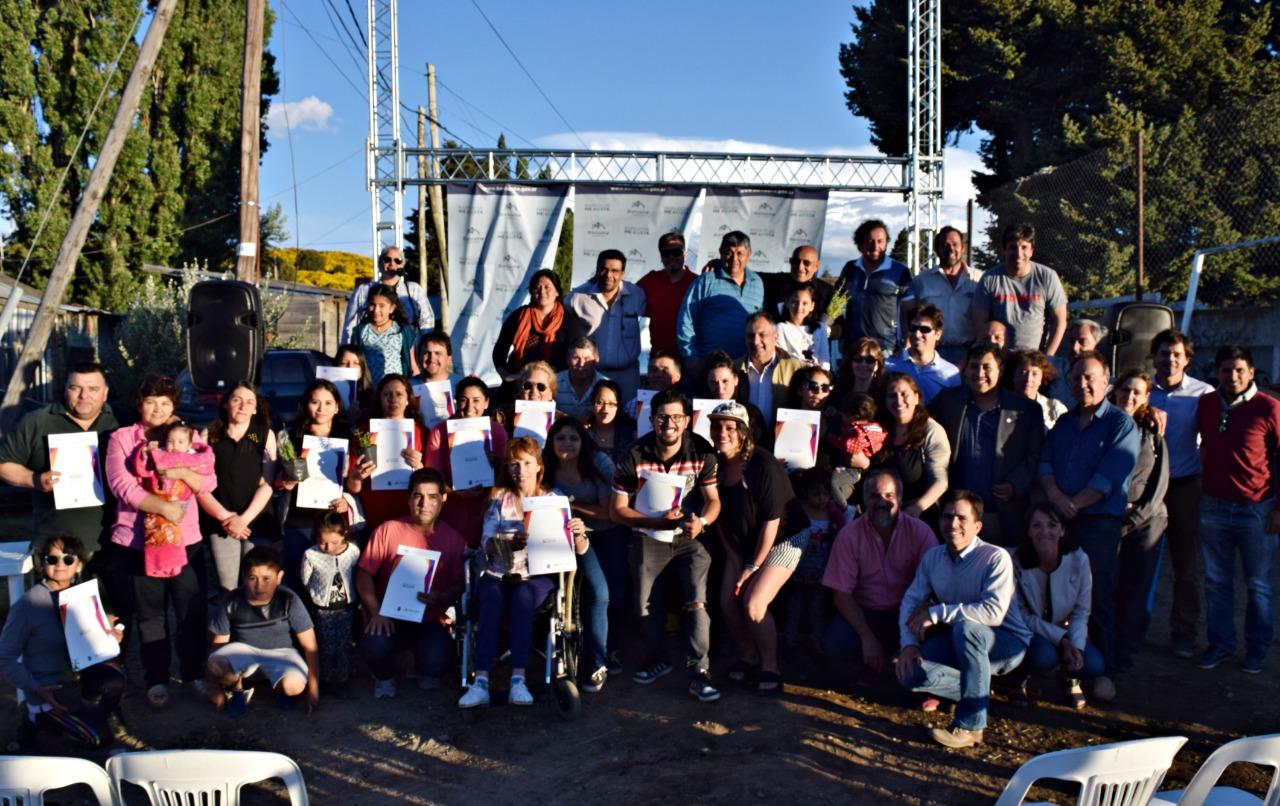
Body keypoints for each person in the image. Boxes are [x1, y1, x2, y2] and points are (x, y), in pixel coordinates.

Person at [104, 373, 215, 710]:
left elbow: (208, 481)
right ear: (140, 404)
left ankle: (194, 671)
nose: (157, 408)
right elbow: (121, 484)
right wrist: (163, 507)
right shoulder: (122, 438)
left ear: (173, 406)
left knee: (190, 610)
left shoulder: (186, 436)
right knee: (151, 615)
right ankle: (157, 678)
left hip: (185, 540)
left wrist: (180, 474)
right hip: (139, 541)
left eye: (164, 402)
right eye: (150, 401)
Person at [610, 388, 723, 702]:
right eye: (662, 417)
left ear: (687, 421)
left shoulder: (702, 451)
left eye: (676, 417)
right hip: (648, 536)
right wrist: (655, 522)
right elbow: (616, 510)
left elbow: (714, 501)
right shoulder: (634, 454)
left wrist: (703, 522)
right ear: (651, 419)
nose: (669, 423)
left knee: (697, 601)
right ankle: (657, 658)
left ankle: (700, 671)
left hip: (690, 537)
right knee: (645, 604)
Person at [458, 439, 589, 708]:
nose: (521, 470)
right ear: (507, 467)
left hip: (536, 576)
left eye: (527, 463)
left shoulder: (554, 500)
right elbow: (486, 544)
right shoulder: (499, 500)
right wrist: (505, 544)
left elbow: (580, 550)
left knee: (522, 598)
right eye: (514, 464)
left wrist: (579, 533)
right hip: (498, 572)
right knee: (491, 598)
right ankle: (480, 681)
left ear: (539, 467)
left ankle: (518, 680)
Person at [1038, 350, 1139, 698]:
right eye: (1077, 377)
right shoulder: (1065, 422)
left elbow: (1110, 476)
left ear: (1107, 381)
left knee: (1097, 596)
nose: (1083, 383)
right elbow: (1046, 462)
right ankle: (1066, 667)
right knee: (1057, 594)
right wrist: (1055, 497)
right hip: (1061, 520)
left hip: (1098, 523)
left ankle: (1103, 671)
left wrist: (1073, 504)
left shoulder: (1121, 424)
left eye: (1091, 377)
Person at [896, 491, 1031, 748]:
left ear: (977, 526)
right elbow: (911, 601)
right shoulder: (933, 557)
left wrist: (936, 613)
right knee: (909, 672)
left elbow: (992, 613)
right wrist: (908, 644)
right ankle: (977, 690)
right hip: (961, 642)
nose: (953, 524)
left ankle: (971, 726)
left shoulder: (995, 557)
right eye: (947, 517)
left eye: (961, 518)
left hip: (1006, 644)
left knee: (967, 628)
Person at [1195, 346, 1280, 674]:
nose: (1233, 377)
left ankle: (1257, 649)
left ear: (1252, 372)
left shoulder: (1269, 408)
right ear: (1217, 372)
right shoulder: (1207, 404)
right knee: (1217, 581)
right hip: (1214, 507)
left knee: (1258, 584)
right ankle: (1220, 644)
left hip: (1256, 509)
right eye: (1226, 370)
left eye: (1239, 370)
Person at [0, 535, 126, 750]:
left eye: (68, 559)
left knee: (115, 680)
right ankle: (35, 723)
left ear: (79, 566)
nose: (60, 565)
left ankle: (92, 717)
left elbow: (89, 641)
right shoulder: (28, 605)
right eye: (52, 559)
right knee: (99, 738)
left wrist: (109, 636)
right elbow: (5, 657)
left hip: (78, 680)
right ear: (43, 563)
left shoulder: (83, 597)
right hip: (48, 690)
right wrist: (36, 688)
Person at [709, 401, 795, 695]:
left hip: (785, 538)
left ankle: (771, 665)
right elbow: (719, 518)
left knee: (754, 603)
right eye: (717, 426)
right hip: (741, 545)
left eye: (730, 427)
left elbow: (773, 522)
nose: (722, 432)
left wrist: (751, 568)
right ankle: (748, 655)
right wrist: (735, 559)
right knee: (726, 600)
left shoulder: (762, 463)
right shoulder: (716, 465)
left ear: (743, 432)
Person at [357, 468, 467, 697]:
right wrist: (376, 612)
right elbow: (363, 574)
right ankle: (385, 676)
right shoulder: (388, 530)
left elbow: (459, 584)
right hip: (388, 615)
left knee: (435, 663)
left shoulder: (454, 540)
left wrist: (442, 597)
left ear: (443, 498)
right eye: (418, 495)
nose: (424, 503)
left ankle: (419, 664)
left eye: (432, 496)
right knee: (373, 643)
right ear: (408, 498)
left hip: (429, 619)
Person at [822, 469, 936, 679]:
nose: (882, 502)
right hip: (865, 611)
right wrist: (867, 637)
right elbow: (841, 593)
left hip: (909, 611)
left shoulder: (921, 532)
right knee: (835, 645)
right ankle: (865, 673)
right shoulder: (849, 535)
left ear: (900, 500)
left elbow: (933, 585)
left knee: (934, 645)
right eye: (874, 496)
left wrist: (913, 627)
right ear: (865, 499)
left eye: (889, 496)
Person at [931, 342, 1044, 546]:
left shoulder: (1026, 410)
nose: (979, 373)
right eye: (974, 366)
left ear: (1000, 371)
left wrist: (1015, 483)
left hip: (1001, 513)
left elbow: (1036, 454)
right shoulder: (949, 401)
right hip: (957, 516)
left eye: (986, 367)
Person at [0, 361, 119, 552]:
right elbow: (3, 464)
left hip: (113, 546)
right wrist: (34, 480)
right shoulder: (37, 421)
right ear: (65, 389)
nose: (84, 396)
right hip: (56, 550)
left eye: (93, 389)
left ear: (105, 392)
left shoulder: (121, 421)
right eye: (75, 388)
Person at [543, 417, 623, 689]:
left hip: (605, 530)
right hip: (566, 534)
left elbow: (610, 512)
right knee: (585, 592)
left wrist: (570, 507)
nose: (567, 444)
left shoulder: (599, 464)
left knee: (609, 593)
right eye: (560, 438)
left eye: (573, 438)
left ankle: (604, 655)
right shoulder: (546, 468)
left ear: (583, 442)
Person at [1148, 329, 1213, 659]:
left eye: (1176, 354)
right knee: (1137, 560)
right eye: (1163, 353)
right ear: (1154, 356)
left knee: (1185, 566)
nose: (1169, 359)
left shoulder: (1203, 394)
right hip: (1147, 489)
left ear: (1187, 358)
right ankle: (1133, 626)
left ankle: (1184, 631)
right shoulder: (1141, 390)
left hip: (1184, 486)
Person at [205, 546, 320, 716]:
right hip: (243, 653)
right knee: (216, 663)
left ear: (279, 577)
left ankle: (282, 691)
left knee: (293, 686)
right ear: (244, 577)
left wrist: (313, 689)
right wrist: (212, 685)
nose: (259, 585)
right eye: (253, 578)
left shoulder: (289, 599)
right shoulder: (231, 601)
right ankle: (238, 687)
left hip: (281, 654)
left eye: (267, 578)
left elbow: (310, 646)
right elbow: (218, 645)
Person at [1013, 502, 1103, 709]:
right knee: (1043, 658)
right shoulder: (1014, 561)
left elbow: (1081, 611)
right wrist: (1061, 640)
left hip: (1065, 629)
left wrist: (1076, 646)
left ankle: (1069, 676)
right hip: (1031, 632)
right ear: (1028, 531)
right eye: (1037, 526)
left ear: (1062, 530)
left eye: (1052, 525)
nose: (1045, 532)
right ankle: (1020, 678)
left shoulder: (1079, 560)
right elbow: (1022, 615)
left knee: (1093, 664)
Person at [1111, 369, 1169, 670]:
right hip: (1110, 520)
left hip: (1145, 523)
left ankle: (1126, 651)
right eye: (1125, 390)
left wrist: (1135, 516)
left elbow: (1159, 483)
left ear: (1146, 397)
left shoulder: (1151, 432)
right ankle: (1106, 646)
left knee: (1137, 588)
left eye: (1137, 392)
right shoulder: (1104, 425)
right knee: (1108, 586)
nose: (1129, 397)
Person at [197, 383, 279, 594]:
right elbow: (200, 485)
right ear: (225, 404)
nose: (243, 406)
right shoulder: (211, 436)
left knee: (256, 587)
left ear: (255, 409)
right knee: (229, 588)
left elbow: (268, 483)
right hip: (222, 523)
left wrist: (244, 519)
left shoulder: (258, 436)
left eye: (249, 402)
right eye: (237, 400)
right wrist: (227, 518)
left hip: (257, 521)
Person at [276, 380, 353, 593]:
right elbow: (274, 480)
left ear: (337, 407)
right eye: (315, 402)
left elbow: (355, 483)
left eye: (328, 403)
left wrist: (347, 501)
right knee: (296, 583)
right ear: (305, 405)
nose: (321, 408)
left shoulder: (348, 437)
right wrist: (285, 482)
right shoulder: (287, 437)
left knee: (331, 588)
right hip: (298, 520)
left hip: (333, 522)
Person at [424, 376, 508, 546]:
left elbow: (509, 475)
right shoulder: (441, 431)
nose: (470, 407)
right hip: (451, 511)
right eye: (464, 400)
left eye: (476, 400)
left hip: (487, 510)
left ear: (486, 402)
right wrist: (457, 492)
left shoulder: (497, 432)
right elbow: (432, 478)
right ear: (455, 402)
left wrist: (498, 464)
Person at [129, 420, 214, 578]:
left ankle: (173, 563)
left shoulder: (256, 434)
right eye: (170, 441)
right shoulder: (160, 454)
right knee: (156, 534)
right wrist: (146, 453)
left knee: (173, 535)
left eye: (180, 442)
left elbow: (207, 469)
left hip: (181, 502)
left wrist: (183, 470)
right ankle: (156, 565)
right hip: (158, 502)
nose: (174, 445)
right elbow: (142, 468)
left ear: (189, 444)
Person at [345, 373, 428, 532]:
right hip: (373, 516)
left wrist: (420, 468)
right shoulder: (363, 432)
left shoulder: (421, 432)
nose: (393, 399)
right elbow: (353, 487)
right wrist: (356, 477)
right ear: (379, 399)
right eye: (387, 394)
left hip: (409, 515)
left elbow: (432, 482)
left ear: (407, 399)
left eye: (399, 394)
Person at [972, 222, 1068, 354]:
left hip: (1034, 357)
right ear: (1004, 250)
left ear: (1031, 250)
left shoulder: (1047, 277)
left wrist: (1048, 356)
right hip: (999, 356)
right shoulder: (989, 279)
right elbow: (980, 324)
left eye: (1024, 247)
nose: (1018, 253)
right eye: (1012, 247)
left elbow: (1060, 320)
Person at [566, 249, 647, 403]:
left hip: (628, 374)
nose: (609, 275)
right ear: (597, 270)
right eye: (604, 269)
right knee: (592, 418)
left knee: (629, 419)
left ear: (622, 273)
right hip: (591, 373)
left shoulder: (637, 295)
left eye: (614, 270)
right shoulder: (578, 297)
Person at [781, 468, 848, 652]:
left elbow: (841, 532)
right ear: (805, 492)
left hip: (820, 572)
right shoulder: (799, 510)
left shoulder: (832, 514)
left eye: (826, 494)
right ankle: (790, 640)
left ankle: (816, 642)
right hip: (795, 569)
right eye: (816, 493)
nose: (821, 498)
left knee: (817, 609)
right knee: (794, 607)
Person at [676, 231, 765, 367]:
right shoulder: (705, 281)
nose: (734, 259)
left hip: (746, 368)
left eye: (740, 253)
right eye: (728, 252)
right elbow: (685, 321)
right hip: (709, 368)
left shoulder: (757, 283)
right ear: (720, 253)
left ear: (749, 255)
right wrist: (691, 357)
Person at [871, 373, 950, 519]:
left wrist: (917, 508)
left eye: (904, 394)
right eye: (892, 396)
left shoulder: (931, 431)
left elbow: (940, 480)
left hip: (918, 517)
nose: (899, 401)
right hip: (879, 515)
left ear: (916, 397)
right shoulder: (877, 428)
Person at [301, 511, 361, 693]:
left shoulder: (353, 552)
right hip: (322, 610)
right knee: (326, 646)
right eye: (322, 542)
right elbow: (306, 579)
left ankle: (343, 680)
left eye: (334, 542)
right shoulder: (311, 555)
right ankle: (326, 679)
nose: (327, 547)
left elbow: (359, 575)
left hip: (346, 608)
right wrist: (316, 595)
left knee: (344, 644)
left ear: (344, 535)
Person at [492, 269, 578, 397]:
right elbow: (499, 350)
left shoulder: (569, 320)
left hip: (554, 387)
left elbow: (574, 355)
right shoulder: (518, 316)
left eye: (547, 287)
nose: (542, 292)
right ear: (531, 291)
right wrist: (507, 376)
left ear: (557, 292)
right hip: (519, 386)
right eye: (537, 287)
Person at [904, 226, 983, 364]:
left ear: (963, 248)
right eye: (945, 245)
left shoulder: (979, 280)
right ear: (937, 250)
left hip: (968, 355)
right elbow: (909, 318)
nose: (950, 248)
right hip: (931, 354)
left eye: (955, 244)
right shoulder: (921, 281)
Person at [837, 219, 914, 354]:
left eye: (880, 241)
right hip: (853, 348)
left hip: (887, 349)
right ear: (860, 244)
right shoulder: (850, 268)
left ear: (886, 243)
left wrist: (907, 344)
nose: (875, 246)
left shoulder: (900, 271)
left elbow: (910, 311)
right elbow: (836, 303)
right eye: (869, 241)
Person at [341, 244, 435, 342]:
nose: (392, 264)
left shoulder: (414, 290)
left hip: (408, 348)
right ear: (379, 264)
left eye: (397, 260)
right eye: (387, 260)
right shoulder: (364, 290)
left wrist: (419, 347)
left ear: (403, 265)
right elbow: (350, 324)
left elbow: (427, 320)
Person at [737, 312, 805, 428]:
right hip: (743, 441)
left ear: (775, 337)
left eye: (762, 335)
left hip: (781, 441)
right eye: (750, 335)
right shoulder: (734, 369)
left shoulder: (795, 369)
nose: (755, 341)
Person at [883, 304, 960, 404]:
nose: (917, 334)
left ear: (938, 334)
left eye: (925, 329)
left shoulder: (951, 373)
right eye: (913, 328)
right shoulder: (890, 366)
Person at [636, 231, 697, 356]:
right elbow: (623, 294)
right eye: (666, 253)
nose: (671, 257)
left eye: (676, 252)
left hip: (688, 357)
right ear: (661, 257)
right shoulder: (650, 280)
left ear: (685, 254)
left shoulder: (697, 283)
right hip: (659, 355)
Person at [352, 284, 420, 385]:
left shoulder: (402, 330)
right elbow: (354, 363)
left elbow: (412, 364)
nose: (376, 310)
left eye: (382, 306)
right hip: (369, 391)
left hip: (396, 388)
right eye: (372, 305)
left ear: (392, 308)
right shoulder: (360, 331)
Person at [703, 351, 767, 447]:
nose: (720, 389)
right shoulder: (698, 412)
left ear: (736, 380)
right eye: (714, 383)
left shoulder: (752, 414)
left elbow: (761, 448)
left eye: (725, 381)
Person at [762, 245, 834, 319]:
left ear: (816, 266)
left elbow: (836, 324)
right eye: (796, 261)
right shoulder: (774, 282)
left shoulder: (827, 292)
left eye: (806, 263)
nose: (800, 267)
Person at [1004, 349, 1067, 430]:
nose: (1028, 379)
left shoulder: (1054, 408)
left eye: (1035, 374)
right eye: (1023, 372)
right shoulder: (1000, 406)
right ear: (1013, 375)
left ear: (1042, 378)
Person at [775, 282, 833, 369]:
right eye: (795, 302)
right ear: (787, 303)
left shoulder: (820, 328)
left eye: (805, 303)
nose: (799, 307)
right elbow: (783, 362)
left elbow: (825, 360)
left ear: (812, 306)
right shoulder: (781, 328)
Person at [1049, 319, 1105, 405]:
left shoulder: (1104, 379)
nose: (1075, 347)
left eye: (1083, 342)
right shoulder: (1053, 366)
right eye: (1071, 341)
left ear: (1096, 346)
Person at [584, 379, 637, 464]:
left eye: (611, 404)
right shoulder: (583, 432)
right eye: (599, 402)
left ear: (618, 407)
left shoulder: (629, 434)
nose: (605, 409)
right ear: (592, 403)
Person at [555, 337, 607, 422]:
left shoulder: (606, 386)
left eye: (587, 359)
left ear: (596, 360)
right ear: (567, 359)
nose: (581, 364)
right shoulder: (553, 382)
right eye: (576, 358)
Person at [835, 336, 886, 403]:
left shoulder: (883, 395)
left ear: (877, 365)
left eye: (870, 360)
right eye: (858, 359)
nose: (863, 364)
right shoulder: (839, 392)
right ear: (851, 362)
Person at [334, 344, 376, 423]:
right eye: (344, 363)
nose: (350, 367)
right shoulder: (326, 392)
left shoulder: (372, 398)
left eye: (356, 363)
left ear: (362, 369)